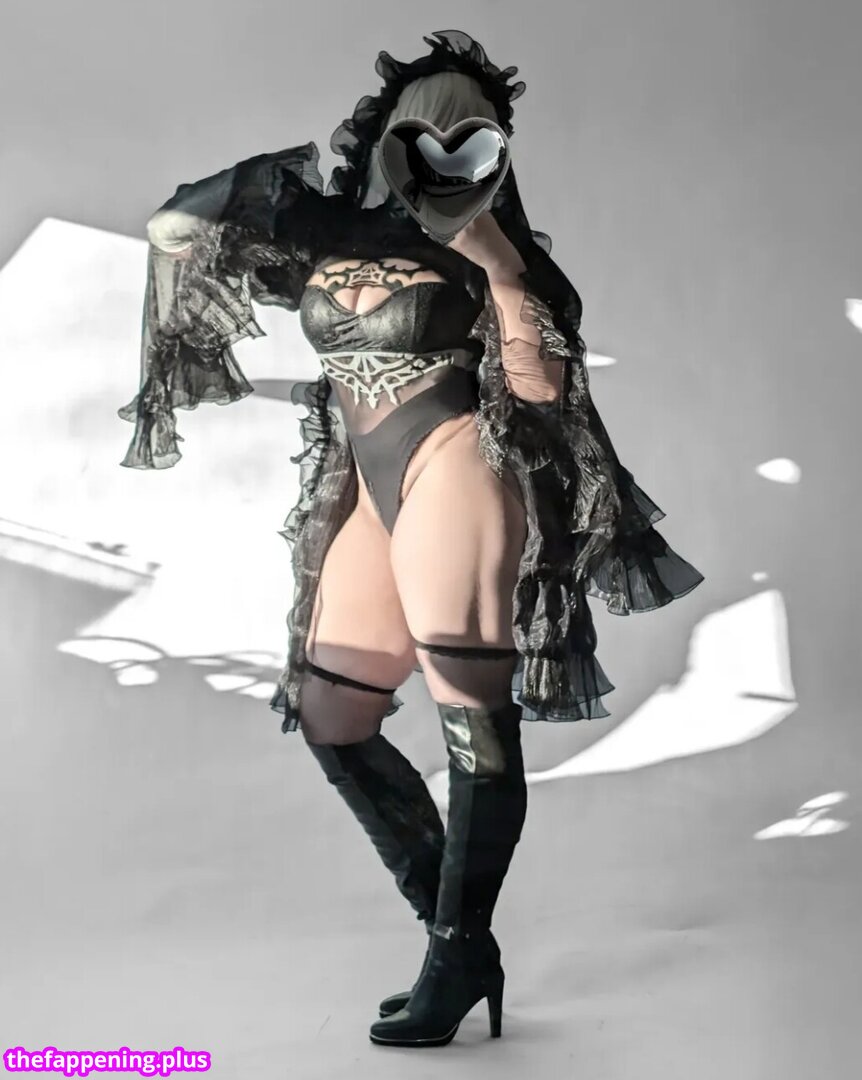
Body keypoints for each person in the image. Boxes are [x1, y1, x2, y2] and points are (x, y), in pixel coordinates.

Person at [119, 29, 704, 1048]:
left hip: (457, 468)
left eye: (464, 130)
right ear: (383, 130)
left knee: (470, 718)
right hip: (365, 483)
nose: (438, 145)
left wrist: (500, 263)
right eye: (418, 124)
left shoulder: (501, 254)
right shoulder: (326, 227)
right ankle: (458, 941)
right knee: (332, 712)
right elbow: (174, 226)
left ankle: (453, 949)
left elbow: (542, 396)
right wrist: (277, 180)